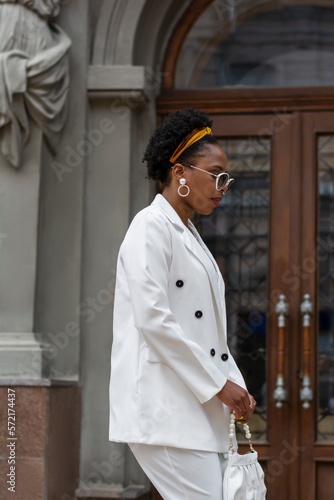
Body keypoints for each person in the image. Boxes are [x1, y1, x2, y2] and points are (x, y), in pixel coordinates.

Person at [109, 108, 256, 499]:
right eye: (216, 174)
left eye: (227, 178)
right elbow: (153, 320)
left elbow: (204, 330)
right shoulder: (150, 227)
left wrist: (234, 384)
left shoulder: (189, 234)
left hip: (192, 410)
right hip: (163, 411)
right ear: (180, 173)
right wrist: (219, 385)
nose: (223, 186)